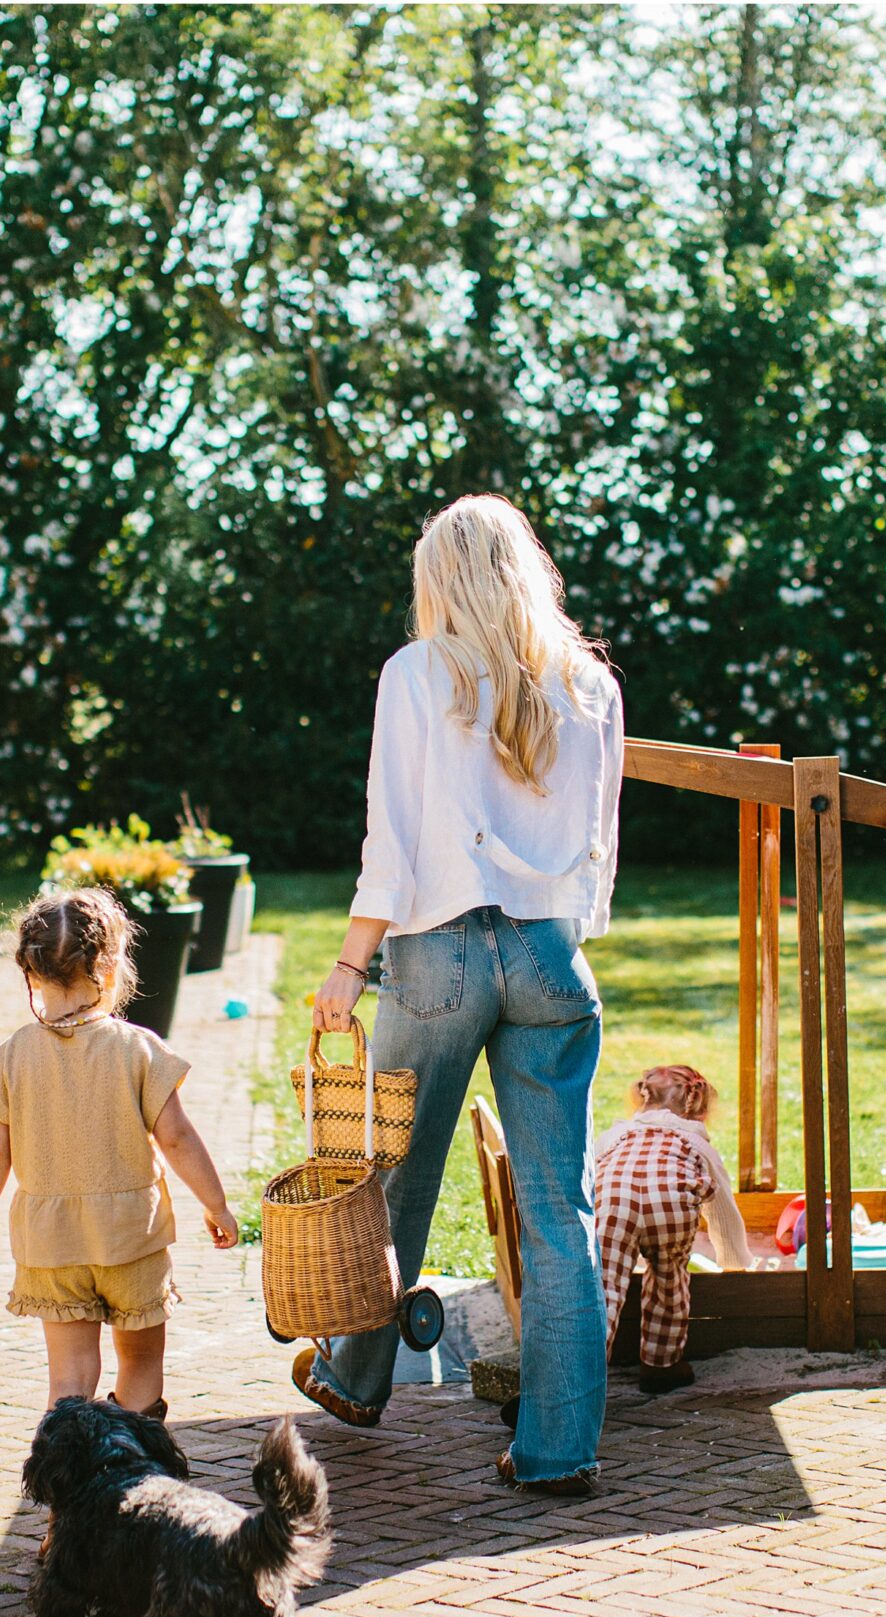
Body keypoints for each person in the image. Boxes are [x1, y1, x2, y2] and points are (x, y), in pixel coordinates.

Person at [296, 494, 625, 1496]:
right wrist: (561, 931)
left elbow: (389, 845)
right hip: (550, 957)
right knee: (557, 1211)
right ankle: (559, 1448)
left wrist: (350, 964)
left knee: (390, 1183)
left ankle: (355, 1380)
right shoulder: (590, 685)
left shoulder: (416, 674)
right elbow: (598, 847)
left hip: (434, 955)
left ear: (441, 577)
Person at [0, 888, 241, 1415]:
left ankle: (64, 1475)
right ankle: (131, 1462)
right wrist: (216, 1205)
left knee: (69, 1376)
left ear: (31, 971)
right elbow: (177, 1137)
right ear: (110, 967)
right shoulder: (138, 1049)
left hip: (52, 1243)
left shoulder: (13, 1056)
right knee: (139, 1362)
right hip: (130, 1238)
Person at [592, 1065, 757, 1395]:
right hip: (671, 1204)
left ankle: (577, 1376)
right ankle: (661, 1365)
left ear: (641, 1100)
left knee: (603, 1286)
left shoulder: (615, 1135)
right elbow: (722, 1208)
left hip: (613, 1200)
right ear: (698, 1107)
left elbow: (588, 1173)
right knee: (669, 1278)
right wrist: (734, 1260)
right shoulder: (697, 1143)